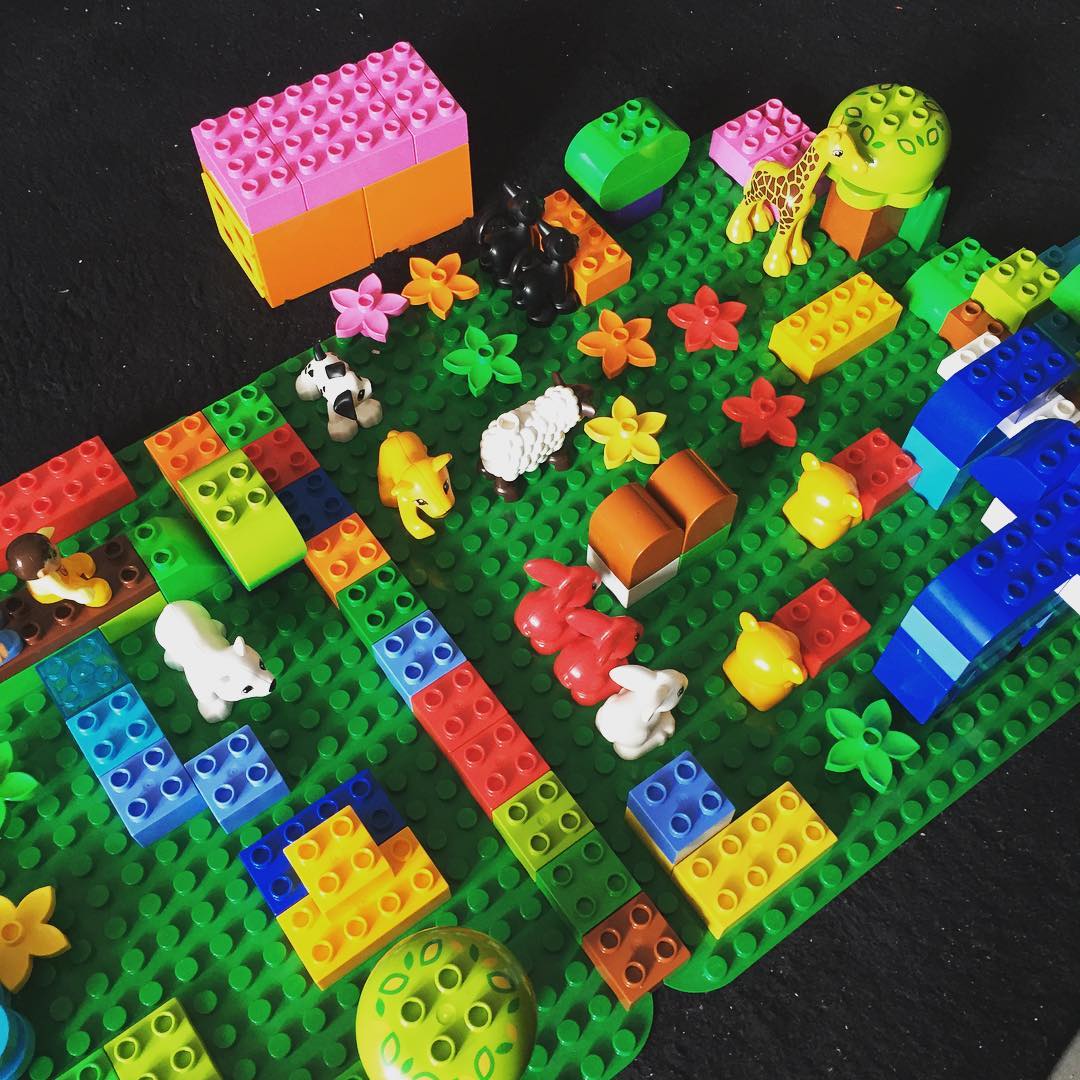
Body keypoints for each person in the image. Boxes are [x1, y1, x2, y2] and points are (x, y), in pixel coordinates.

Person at [5, 528, 112, 608]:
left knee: (84, 559)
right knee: (100, 591)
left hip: (60, 568)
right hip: (62, 583)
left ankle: (87, 572)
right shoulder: (49, 581)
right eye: (53, 554)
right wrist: (78, 595)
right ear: (43, 572)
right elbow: (64, 591)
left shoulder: (46, 566)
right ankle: (93, 595)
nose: (56, 547)